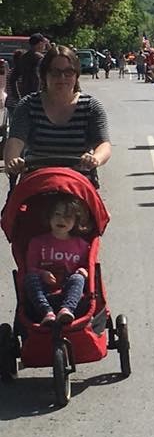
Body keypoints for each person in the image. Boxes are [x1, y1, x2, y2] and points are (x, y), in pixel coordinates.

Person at [4, 46, 111, 185]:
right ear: (44, 75)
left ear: (76, 75)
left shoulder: (91, 107)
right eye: (55, 72)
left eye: (68, 72)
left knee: (97, 208)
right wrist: (13, 160)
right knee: (12, 207)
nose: (62, 77)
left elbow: (103, 144)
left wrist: (95, 158)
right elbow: (15, 141)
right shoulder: (28, 105)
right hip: (36, 183)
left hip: (78, 184)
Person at [24, 194, 93, 325]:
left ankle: (66, 310)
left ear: (76, 221)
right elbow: (30, 267)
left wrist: (83, 271)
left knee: (78, 278)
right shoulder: (37, 242)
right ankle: (47, 312)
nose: (62, 220)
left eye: (68, 216)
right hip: (44, 290)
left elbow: (87, 268)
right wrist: (42, 273)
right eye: (57, 214)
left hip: (69, 290)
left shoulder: (82, 245)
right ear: (49, 217)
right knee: (30, 277)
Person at [9, 34, 48, 104]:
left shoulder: (23, 58)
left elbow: (12, 78)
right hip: (40, 95)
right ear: (40, 43)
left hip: (25, 94)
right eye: (44, 44)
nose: (44, 47)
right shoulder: (40, 58)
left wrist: (17, 96)